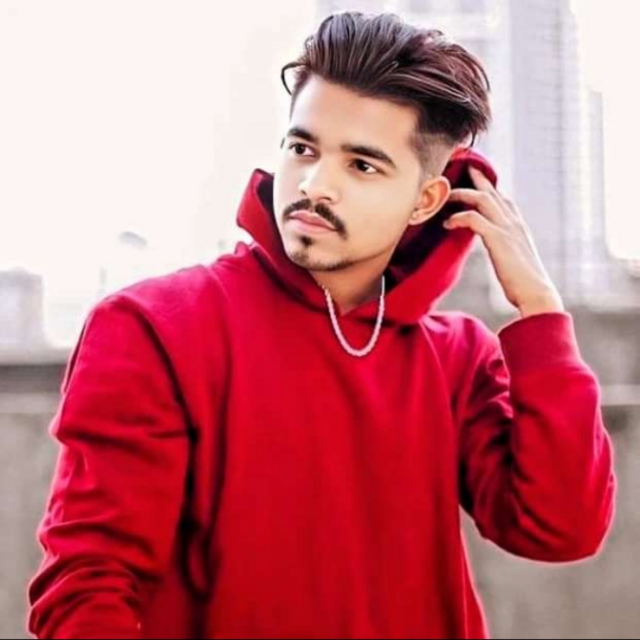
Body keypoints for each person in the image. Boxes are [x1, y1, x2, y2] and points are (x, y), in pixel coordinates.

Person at [27, 11, 616, 640]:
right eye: (303, 148)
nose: (314, 185)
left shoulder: (457, 358)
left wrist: (540, 310)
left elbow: (561, 528)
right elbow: (85, 592)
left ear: (425, 201)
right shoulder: (153, 327)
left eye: (362, 165)